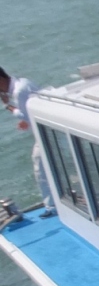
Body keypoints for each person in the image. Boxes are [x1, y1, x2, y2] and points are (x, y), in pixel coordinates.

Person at [0, 66, 54, 222]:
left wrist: (8, 106)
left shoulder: (19, 92)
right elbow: (31, 111)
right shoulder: (23, 83)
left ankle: (52, 207)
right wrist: (25, 119)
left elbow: (27, 115)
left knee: (40, 168)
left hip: (47, 132)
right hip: (48, 129)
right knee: (47, 166)